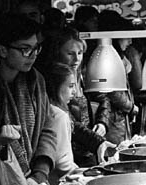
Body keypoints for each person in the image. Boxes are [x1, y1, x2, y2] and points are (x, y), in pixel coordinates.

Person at [0, 13, 57, 185]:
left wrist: (40, 173)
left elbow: (47, 129)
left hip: (34, 179)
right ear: (3, 50)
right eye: (25, 49)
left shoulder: (35, 80)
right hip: (0, 181)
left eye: (36, 48)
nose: (33, 55)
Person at [44, 27, 116, 166]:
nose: (76, 58)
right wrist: (95, 141)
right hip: (68, 151)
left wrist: (102, 122)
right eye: (70, 53)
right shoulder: (53, 81)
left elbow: (103, 98)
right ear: (58, 52)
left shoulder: (83, 75)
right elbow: (69, 122)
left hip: (88, 149)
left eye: (80, 53)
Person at [96, 10, 139, 144]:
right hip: (112, 121)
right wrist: (130, 106)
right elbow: (111, 91)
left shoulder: (119, 56)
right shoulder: (106, 58)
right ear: (115, 35)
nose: (130, 41)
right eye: (126, 36)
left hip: (118, 118)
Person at [43, 62, 79, 181]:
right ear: (56, 87)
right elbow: (62, 162)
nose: (74, 91)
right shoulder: (59, 116)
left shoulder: (45, 109)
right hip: (56, 180)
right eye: (70, 86)